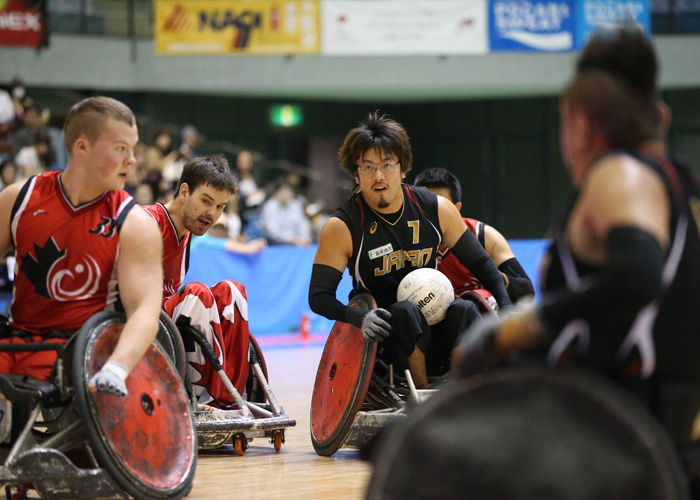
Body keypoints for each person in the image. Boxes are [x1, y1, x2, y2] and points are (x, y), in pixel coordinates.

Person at [457, 25, 700, 471]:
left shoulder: (620, 173)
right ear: (661, 117)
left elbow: (638, 274)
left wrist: (526, 323)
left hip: (614, 446)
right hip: (668, 440)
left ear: (579, 124)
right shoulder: (684, 188)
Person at [308, 112, 513, 388]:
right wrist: (360, 317)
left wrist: (508, 307)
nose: (378, 176)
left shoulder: (436, 208)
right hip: (384, 339)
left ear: (403, 169)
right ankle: (422, 396)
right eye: (367, 167)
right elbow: (318, 296)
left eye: (387, 165)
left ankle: (457, 388)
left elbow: (482, 263)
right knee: (406, 312)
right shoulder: (341, 226)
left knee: (465, 308)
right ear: (356, 174)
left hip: (438, 329)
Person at [0, 96, 164, 397]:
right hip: (15, 340)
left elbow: (145, 310)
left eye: (133, 148)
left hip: (80, 352)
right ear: (82, 148)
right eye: (120, 148)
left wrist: (118, 366)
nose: (132, 159)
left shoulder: (135, 223)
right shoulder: (18, 198)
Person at [144, 155, 253, 408]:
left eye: (220, 207)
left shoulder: (186, 234)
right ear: (184, 192)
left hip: (165, 329)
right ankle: (202, 399)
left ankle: (231, 398)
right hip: (139, 325)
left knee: (232, 291)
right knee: (196, 294)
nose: (212, 214)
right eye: (206, 201)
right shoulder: (147, 222)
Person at [414, 167, 534, 305]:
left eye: (438, 206)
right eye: (424, 206)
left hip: (477, 313)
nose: (431, 214)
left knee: (469, 303)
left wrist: (490, 274)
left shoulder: (482, 234)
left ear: (456, 209)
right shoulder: (404, 237)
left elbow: (526, 290)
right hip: (430, 313)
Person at [260, 179, 313, 246]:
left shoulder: (296, 205)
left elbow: (303, 224)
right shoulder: (269, 207)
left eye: (288, 191)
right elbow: (272, 231)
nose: (286, 194)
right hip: (278, 240)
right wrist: (292, 239)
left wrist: (305, 239)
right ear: (276, 193)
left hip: (297, 239)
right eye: (283, 192)